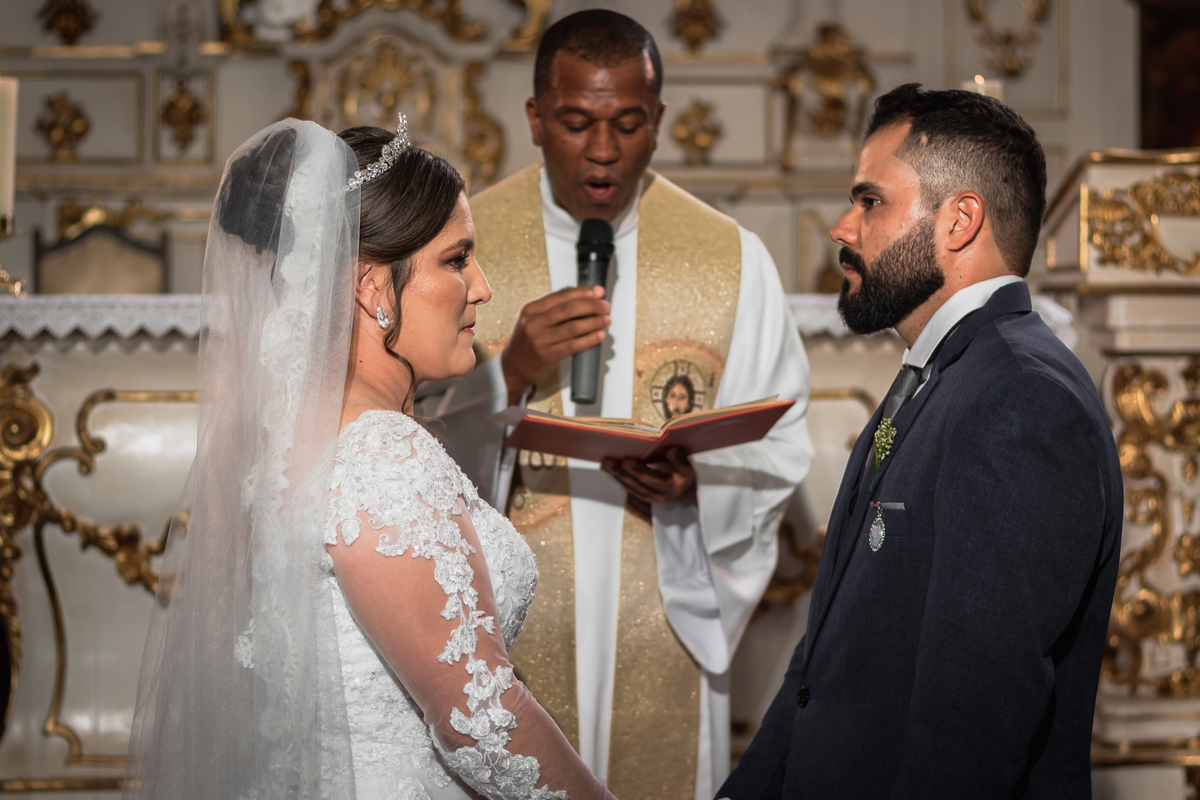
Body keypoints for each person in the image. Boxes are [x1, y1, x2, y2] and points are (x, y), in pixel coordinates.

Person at [124, 116, 618, 799]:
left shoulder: (295, 437)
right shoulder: (381, 455)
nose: (482, 287)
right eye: (456, 260)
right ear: (372, 288)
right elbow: (480, 720)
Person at [422, 10, 813, 800]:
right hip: (509, 620)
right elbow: (400, 432)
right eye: (576, 123)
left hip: (660, 611)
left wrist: (696, 485)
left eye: (628, 124)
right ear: (535, 118)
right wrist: (510, 372)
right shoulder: (460, 244)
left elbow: (779, 440)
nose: (603, 150)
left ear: (659, 120)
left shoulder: (730, 258)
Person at [718, 85, 1123, 798]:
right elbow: (823, 664)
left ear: (959, 220)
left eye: (870, 201)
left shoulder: (1020, 403)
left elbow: (971, 728)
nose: (842, 227)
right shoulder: (944, 375)